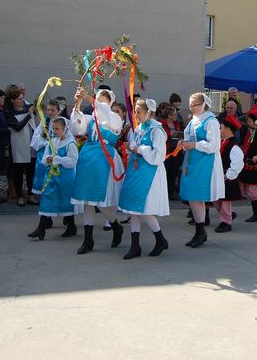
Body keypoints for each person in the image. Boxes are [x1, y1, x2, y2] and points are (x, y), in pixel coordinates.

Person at [70, 87, 126, 254]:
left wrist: (89, 98)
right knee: (86, 199)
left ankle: (115, 225)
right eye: (98, 100)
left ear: (110, 102)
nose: (99, 103)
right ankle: (88, 240)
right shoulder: (91, 118)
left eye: (103, 100)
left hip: (104, 158)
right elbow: (77, 128)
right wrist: (78, 104)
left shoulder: (114, 118)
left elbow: (105, 115)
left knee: (100, 199)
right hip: (88, 157)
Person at [117, 99, 170, 259]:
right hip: (137, 172)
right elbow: (136, 145)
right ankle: (135, 246)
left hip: (150, 174)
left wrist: (138, 148)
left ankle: (160, 239)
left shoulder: (157, 131)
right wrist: (130, 147)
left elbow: (158, 155)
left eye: (138, 112)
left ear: (148, 112)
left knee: (144, 210)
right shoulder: (140, 128)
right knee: (134, 210)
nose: (136, 115)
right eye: (135, 112)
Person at [179, 92, 223, 248]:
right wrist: (184, 143)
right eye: (190, 105)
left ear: (203, 104)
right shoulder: (193, 121)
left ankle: (200, 231)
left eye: (194, 105)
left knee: (197, 196)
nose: (191, 108)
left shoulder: (211, 121)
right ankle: (200, 231)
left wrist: (195, 145)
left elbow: (215, 145)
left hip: (205, 162)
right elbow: (190, 138)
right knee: (192, 197)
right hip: (192, 161)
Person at [27, 117, 80, 240]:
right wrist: (47, 160)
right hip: (51, 177)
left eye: (58, 129)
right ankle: (41, 228)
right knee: (47, 199)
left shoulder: (70, 144)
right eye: (53, 129)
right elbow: (44, 157)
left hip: (65, 178)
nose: (55, 131)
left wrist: (57, 160)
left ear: (65, 129)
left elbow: (73, 161)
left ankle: (71, 226)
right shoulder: (52, 142)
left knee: (65, 200)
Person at [4, 86, 38, 206]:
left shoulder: (27, 107)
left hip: (31, 143)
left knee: (31, 171)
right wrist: (28, 115)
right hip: (18, 144)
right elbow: (17, 127)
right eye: (19, 99)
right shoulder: (8, 112)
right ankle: (19, 196)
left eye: (22, 98)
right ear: (12, 100)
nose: (21, 101)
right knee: (18, 171)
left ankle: (31, 194)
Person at [30, 99, 64, 212]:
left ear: (58, 111)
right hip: (44, 157)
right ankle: (46, 210)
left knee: (57, 186)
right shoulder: (44, 122)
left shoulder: (63, 122)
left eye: (52, 110)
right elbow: (34, 143)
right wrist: (42, 134)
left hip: (57, 156)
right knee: (45, 187)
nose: (49, 112)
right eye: (48, 109)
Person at [213, 115, 244, 233]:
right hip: (218, 176)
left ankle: (226, 221)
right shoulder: (222, 142)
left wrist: (229, 175)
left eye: (221, 127)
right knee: (216, 198)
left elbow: (237, 162)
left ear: (228, 129)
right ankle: (228, 215)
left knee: (225, 200)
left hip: (226, 177)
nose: (219, 130)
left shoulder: (233, 145)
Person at [160, 106, 184, 199]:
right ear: (169, 115)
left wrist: (179, 134)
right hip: (166, 151)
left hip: (176, 152)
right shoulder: (162, 124)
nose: (176, 116)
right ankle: (162, 193)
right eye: (174, 114)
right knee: (165, 172)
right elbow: (163, 136)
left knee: (173, 172)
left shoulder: (177, 123)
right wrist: (170, 135)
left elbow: (180, 132)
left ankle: (170, 193)